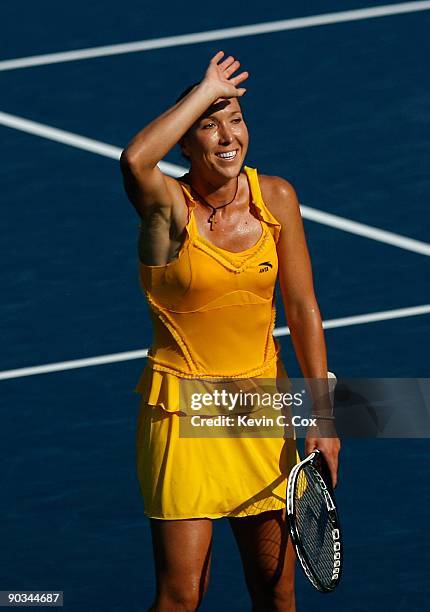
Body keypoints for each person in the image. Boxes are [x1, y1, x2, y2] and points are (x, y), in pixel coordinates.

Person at [120, 50, 341, 612]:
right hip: (182, 412)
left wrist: (323, 417)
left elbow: (302, 306)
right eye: (208, 124)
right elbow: (136, 161)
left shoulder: (278, 200)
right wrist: (204, 90)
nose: (227, 135)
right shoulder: (168, 212)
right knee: (181, 596)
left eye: (235, 119)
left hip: (259, 408)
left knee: (276, 590)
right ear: (185, 142)